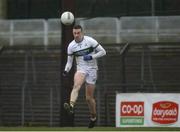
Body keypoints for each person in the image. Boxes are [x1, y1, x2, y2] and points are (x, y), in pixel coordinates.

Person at [63, 25, 106, 128]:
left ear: (82, 33)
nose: (76, 35)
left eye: (78, 33)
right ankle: (71, 106)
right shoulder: (71, 46)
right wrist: (66, 70)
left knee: (89, 98)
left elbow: (103, 52)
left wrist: (91, 56)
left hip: (92, 69)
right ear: (73, 33)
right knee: (76, 86)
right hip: (81, 69)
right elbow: (69, 62)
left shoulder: (90, 41)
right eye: (75, 33)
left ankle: (93, 117)